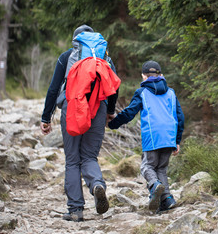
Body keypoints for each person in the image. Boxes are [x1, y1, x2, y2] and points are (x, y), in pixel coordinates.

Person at [40, 24, 118, 222]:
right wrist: (109, 111)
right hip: (98, 108)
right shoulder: (104, 57)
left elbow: (53, 88)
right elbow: (114, 87)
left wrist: (46, 118)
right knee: (90, 156)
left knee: (73, 159)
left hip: (73, 106)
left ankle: (75, 210)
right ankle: (97, 185)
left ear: (75, 41)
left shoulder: (67, 56)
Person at [108, 60, 185, 212]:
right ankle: (167, 200)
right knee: (161, 168)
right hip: (169, 135)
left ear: (144, 76)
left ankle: (155, 185)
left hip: (153, 134)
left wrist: (113, 124)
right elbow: (180, 116)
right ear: (161, 75)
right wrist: (177, 140)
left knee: (147, 166)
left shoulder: (142, 92)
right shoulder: (171, 92)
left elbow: (130, 112)